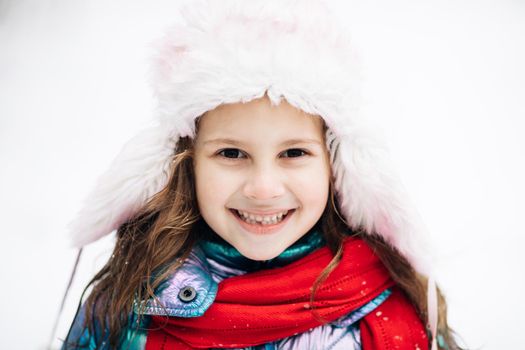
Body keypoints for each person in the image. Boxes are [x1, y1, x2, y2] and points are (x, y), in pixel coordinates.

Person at [60, 0, 463, 349]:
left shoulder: (388, 307)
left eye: (293, 152)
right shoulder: (131, 303)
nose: (264, 188)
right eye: (232, 153)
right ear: (187, 162)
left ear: (336, 165)